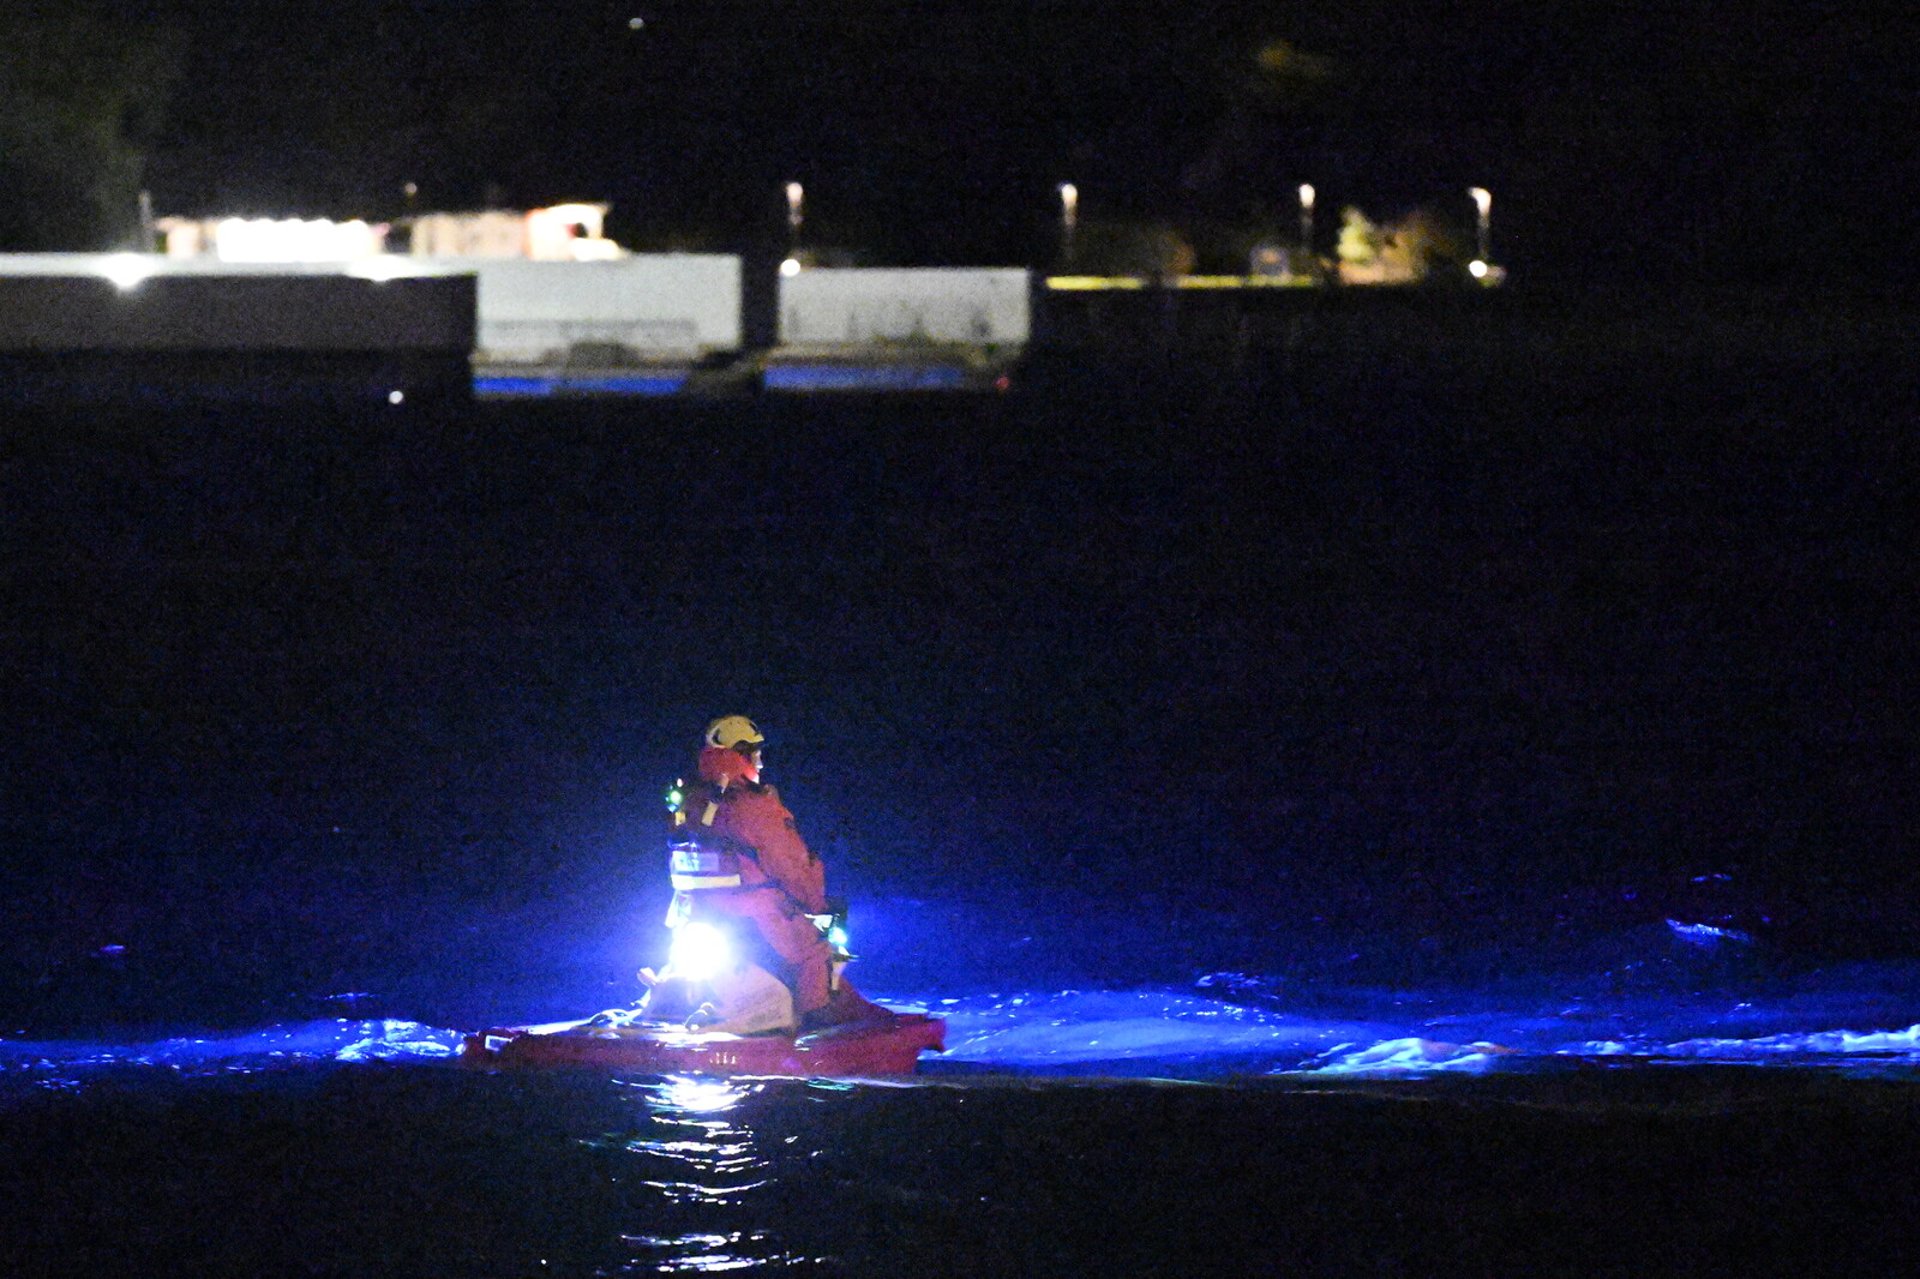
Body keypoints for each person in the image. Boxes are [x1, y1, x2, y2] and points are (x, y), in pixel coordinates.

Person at [659, 715, 874, 1032]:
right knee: (815, 950)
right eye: (756, 752)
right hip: (760, 924)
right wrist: (818, 909)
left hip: (697, 919)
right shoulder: (756, 807)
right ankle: (817, 1020)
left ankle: (683, 1006)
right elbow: (793, 869)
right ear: (741, 753)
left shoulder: (691, 803)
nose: (760, 762)